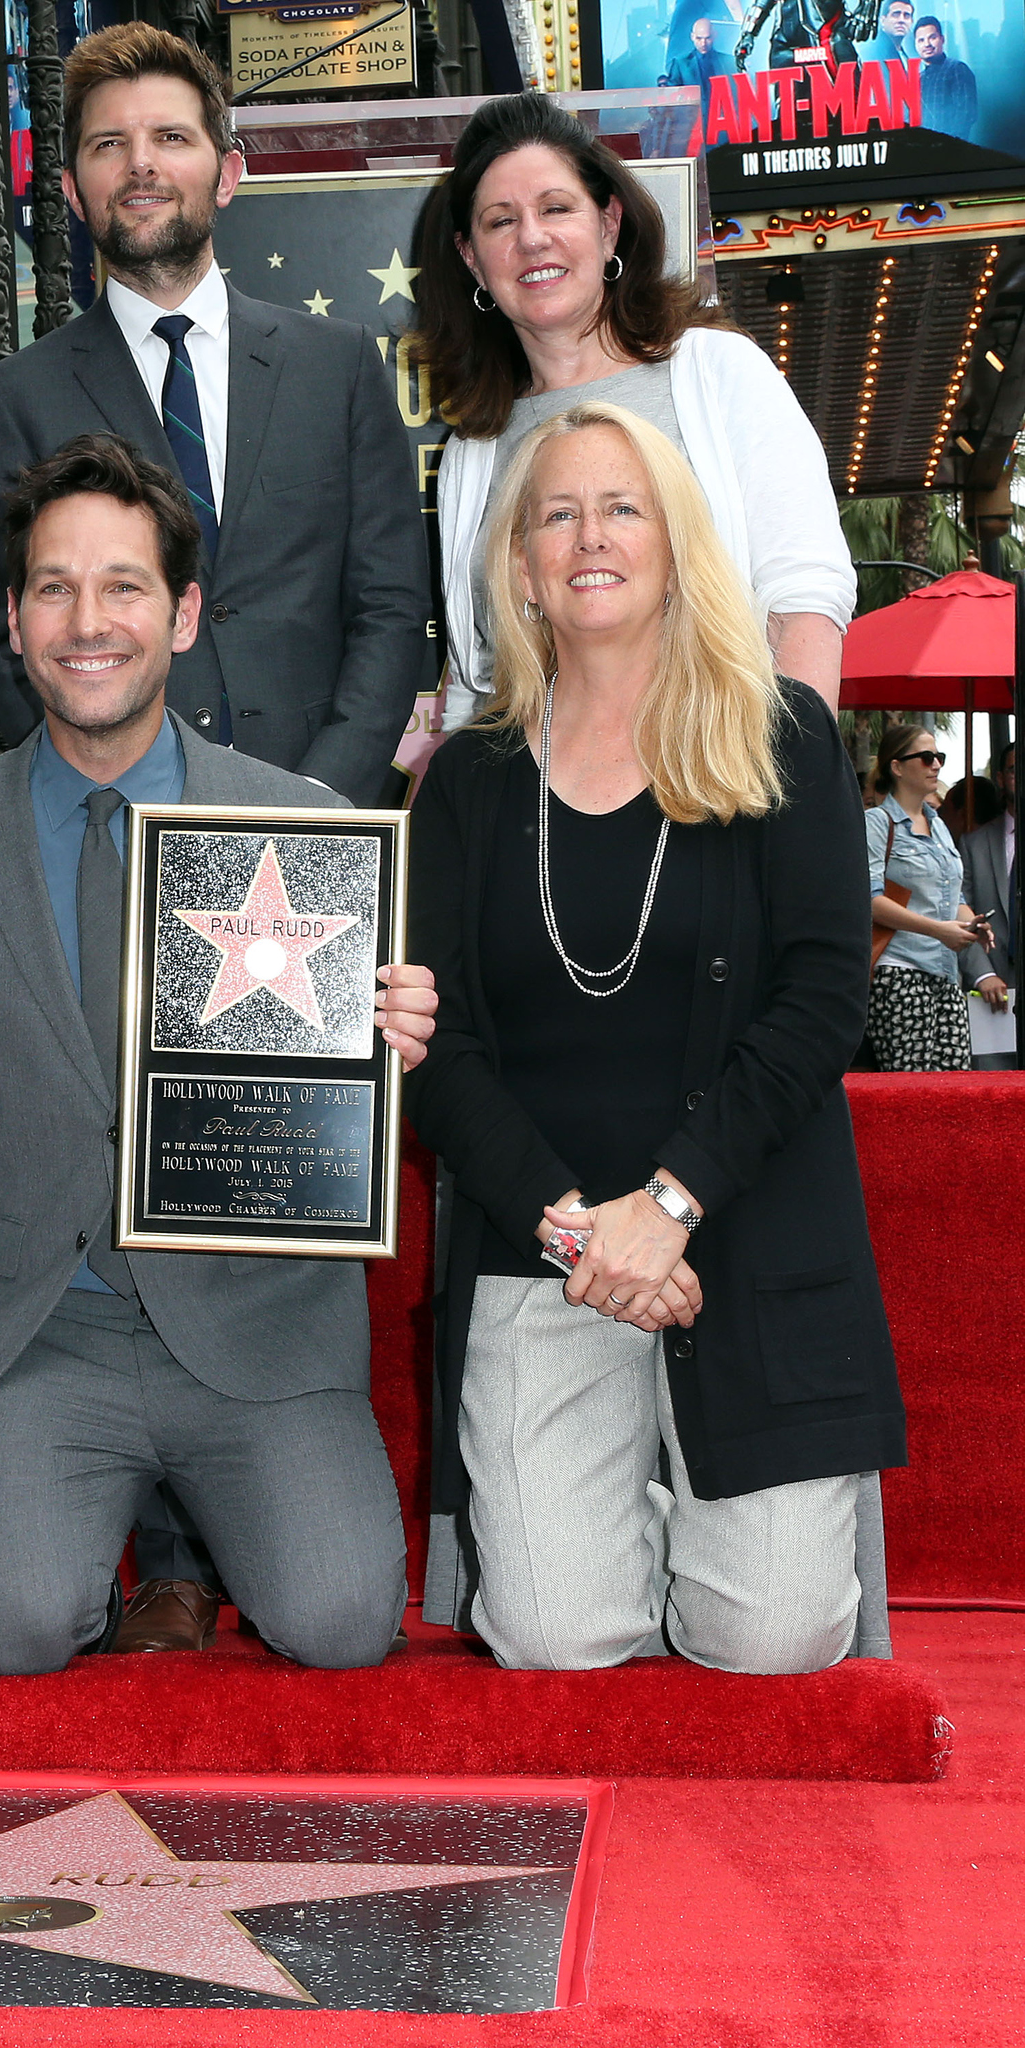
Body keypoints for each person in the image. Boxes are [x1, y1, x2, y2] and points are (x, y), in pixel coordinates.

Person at [0, 434, 438, 1677]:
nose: (90, 620)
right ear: (14, 621)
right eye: (53, 588)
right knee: (13, 1628)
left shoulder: (305, 827)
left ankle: (193, 1548)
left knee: (340, 1624)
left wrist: (390, 1038)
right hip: (41, 1326)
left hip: (255, 1329)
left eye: (124, 585)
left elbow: (331, 1110)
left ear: (182, 615)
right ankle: (76, 1550)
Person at [402, 400, 905, 1675]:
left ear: (678, 543)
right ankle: (620, 1498)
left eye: (620, 506)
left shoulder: (780, 736)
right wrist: (585, 1230)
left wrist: (667, 1204)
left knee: (774, 1635)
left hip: (740, 1231)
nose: (587, 536)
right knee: (553, 1636)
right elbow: (436, 1051)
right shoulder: (462, 784)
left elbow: (817, 1002)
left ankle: (704, 1496)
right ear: (516, 562)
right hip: (544, 1250)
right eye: (554, 512)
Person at [0, 22, 429, 808]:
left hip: (321, 810)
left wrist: (319, 795)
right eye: (109, 144)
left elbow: (390, 606)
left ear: (227, 173)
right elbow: (0, 632)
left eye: (170, 136)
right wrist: (104, 799)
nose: (140, 162)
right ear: (73, 190)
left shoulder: (336, 365)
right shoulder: (17, 396)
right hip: (116, 822)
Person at [412, 92, 856, 725]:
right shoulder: (473, 450)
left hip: (716, 788)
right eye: (500, 221)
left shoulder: (718, 374)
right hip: (536, 812)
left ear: (609, 224)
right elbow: (478, 677)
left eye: (556, 208)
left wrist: (792, 786)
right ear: (471, 258)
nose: (532, 238)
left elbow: (804, 593)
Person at [867, 725, 1001, 1071]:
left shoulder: (938, 825)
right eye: (926, 758)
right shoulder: (877, 823)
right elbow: (869, 900)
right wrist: (938, 930)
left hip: (946, 973)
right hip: (899, 971)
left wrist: (972, 922)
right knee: (909, 1090)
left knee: (954, 1089)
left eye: (939, 757)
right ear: (897, 767)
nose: (936, 765)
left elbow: (951, 894)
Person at [961, 742, 1016, 1068]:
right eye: (1013, 769)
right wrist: (983, 973)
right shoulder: (974, 844)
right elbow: (958, 911)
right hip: (992, 996)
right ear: (999, 777)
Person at [915, 18, 978, 142]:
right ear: (916, 45)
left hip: (950, 150)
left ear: (942, 39)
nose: (927, 44)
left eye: (932, 38)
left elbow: (966, 113)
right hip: (922, 150)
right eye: (921, 40)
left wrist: (948, 145)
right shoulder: (917, 78)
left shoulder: (957, 69)